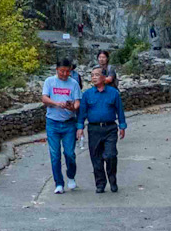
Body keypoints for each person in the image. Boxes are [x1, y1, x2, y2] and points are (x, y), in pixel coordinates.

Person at [76, 65, 128, 193]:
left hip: (110, 128)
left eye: (97, 75)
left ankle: (112, 179)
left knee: (110, 155)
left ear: (104, 77)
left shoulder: (113, 93)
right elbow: (82, 113)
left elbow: (119, 110)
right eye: (92, 75)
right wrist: (80, 127)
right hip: (94, 129)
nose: (94, 77)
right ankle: (100, 183)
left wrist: (122, 126)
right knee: (96, 158)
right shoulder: (87, 95)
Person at [40, 57, 83, 193]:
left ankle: (71, 176)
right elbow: (44, 98)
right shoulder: (49, 82)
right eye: (61, 71)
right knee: (55, 154)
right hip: (52, 122)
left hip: (69, 123)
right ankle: (58, 183)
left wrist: (72, 107)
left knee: (69, 153)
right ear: (57, 70)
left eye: (67, 71)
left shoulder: (74, 83)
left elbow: (77, 102)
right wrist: (56, 103)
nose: (64, 74)